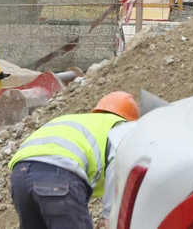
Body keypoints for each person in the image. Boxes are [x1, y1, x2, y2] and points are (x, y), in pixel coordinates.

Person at [8, 91, 140, 229]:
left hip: (19, 176)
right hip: (58, 175)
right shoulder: (123, 128)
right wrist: (109, 216)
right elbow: (117, 166)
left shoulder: (78, 121)